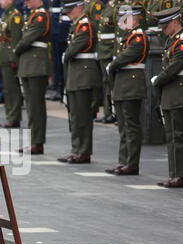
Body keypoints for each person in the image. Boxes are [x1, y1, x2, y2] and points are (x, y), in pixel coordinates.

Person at [151, 6, 183, 188]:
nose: (163, 30)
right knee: (171, 136)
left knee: (178, 136)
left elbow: (173, 69)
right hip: (171, 94)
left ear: (175, 22)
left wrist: (157, 80)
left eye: (165, 25)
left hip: (180, 93)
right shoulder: (172, 40)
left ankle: (181, 175)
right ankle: (174, 174)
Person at [105, 5, 149, 175]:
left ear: (135, 18)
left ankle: (131, 163)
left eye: (126, 18)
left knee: (131, 126)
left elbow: (124, 58)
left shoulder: (138, 37)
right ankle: (123, 161)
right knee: (123, 126)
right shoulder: (128, 36)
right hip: (122, 84)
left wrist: (112, 65)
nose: (122, 22)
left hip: (131, 84)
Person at [57, 0, 101, 163]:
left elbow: (75, 48)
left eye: (70, 10)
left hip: (83, 75)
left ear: (79, 7)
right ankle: (76, 149)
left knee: (83, 116)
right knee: (75, 116)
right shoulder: (77, 25)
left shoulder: (85, 25)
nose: (68, 13)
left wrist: (66, 54)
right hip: (76, 75)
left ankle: (83, 151)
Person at [15, 0, 51, 155]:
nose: (26, 2)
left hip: (36, 64)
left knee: (36, 106)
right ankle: (33, 141)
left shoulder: (41, 16)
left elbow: (28, 39)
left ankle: (37, 142)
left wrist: (16, 49)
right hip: (29, 64)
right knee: (30, 105)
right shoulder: (33, 15)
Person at [0, 0, 24, 128]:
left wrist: (14, 58)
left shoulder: (15, 15)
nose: (0, 1)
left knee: (12, 89)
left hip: (9, 56)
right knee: (7, 89)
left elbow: (16, 38)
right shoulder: (6, 14)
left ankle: (14, 117)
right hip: (4, 55)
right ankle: (10, 116)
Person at [94, 0, 117, 124]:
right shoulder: (107, 6)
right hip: (103, 49)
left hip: (109, 49)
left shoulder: (116, 7)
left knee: (110, 82)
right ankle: (108, 112)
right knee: (106, 81)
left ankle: (113, 112)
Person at [47, 0, 71, 102]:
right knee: (58, 64)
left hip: (64, 32)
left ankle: (63, 90)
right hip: (57, 31)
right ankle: (60, 89)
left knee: (63, 65)